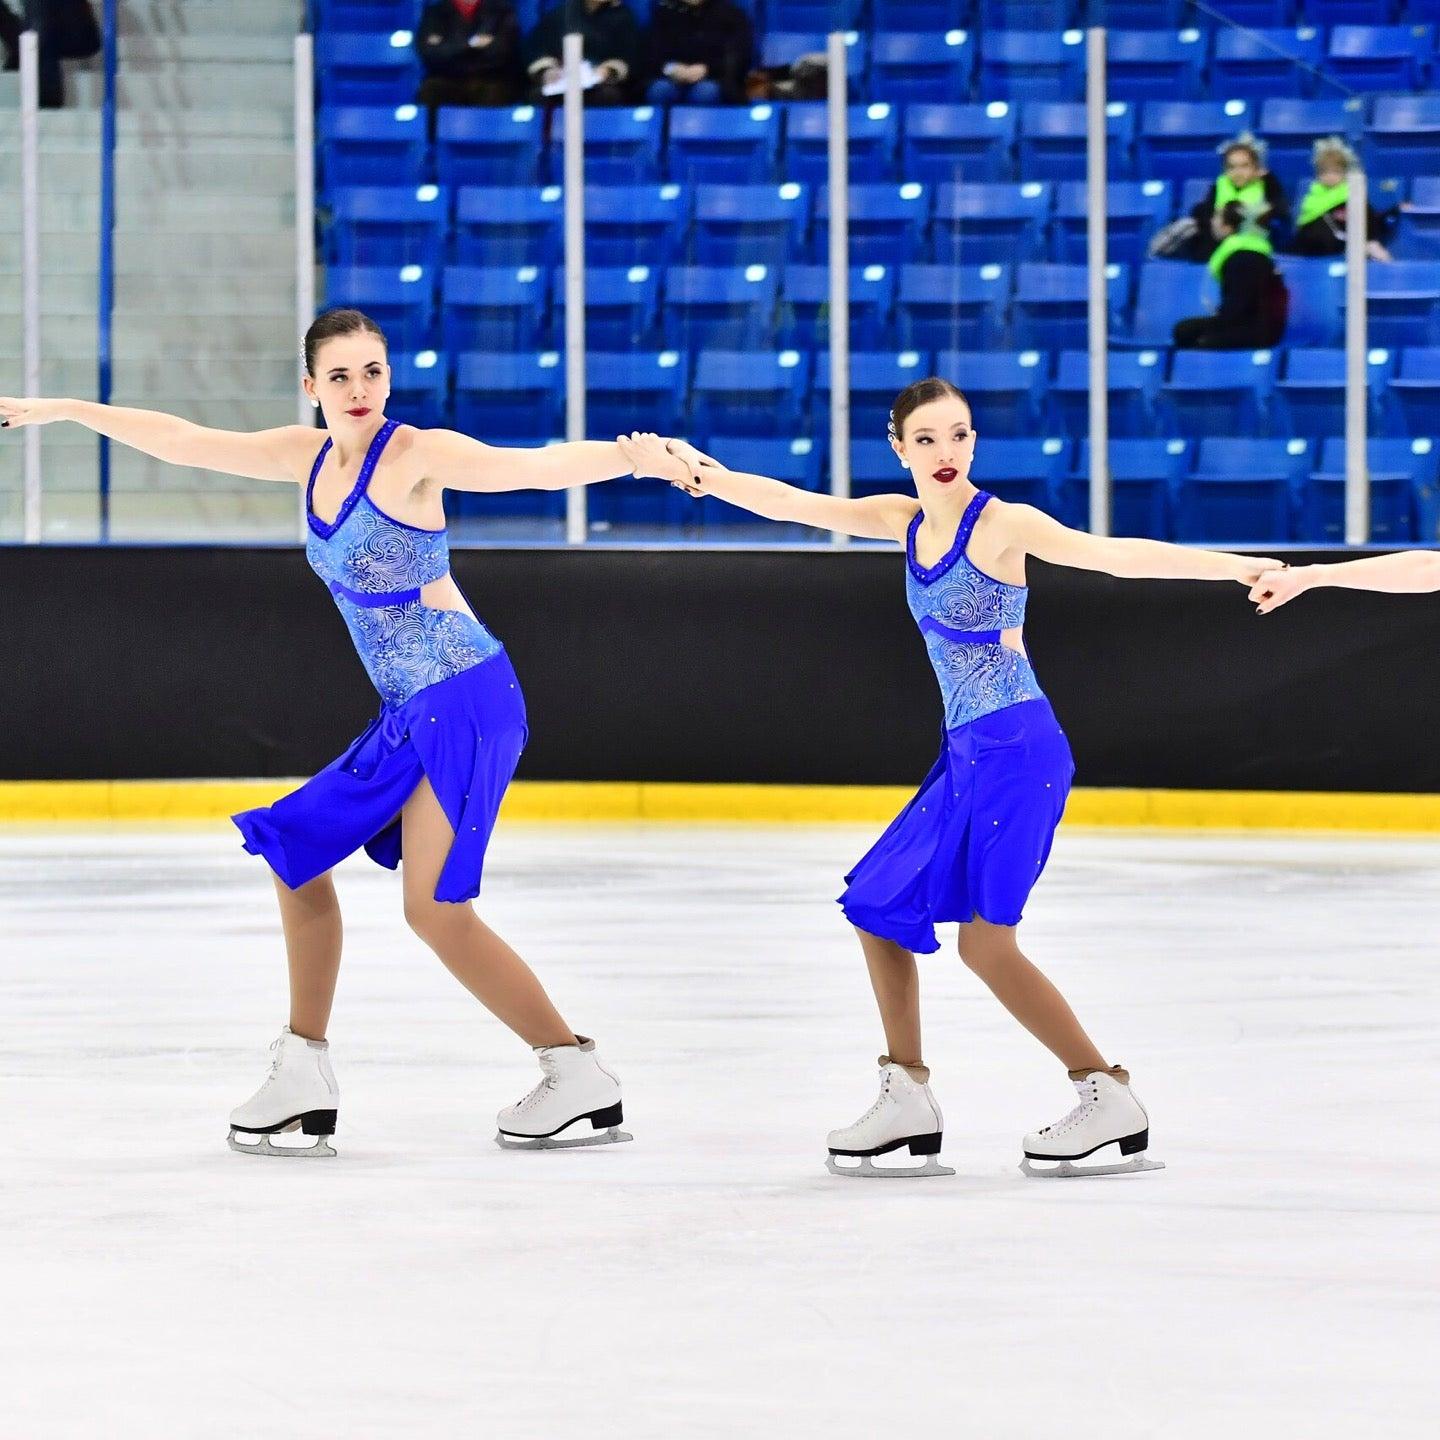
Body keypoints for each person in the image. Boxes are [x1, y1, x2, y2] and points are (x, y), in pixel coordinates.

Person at [0, 309, 638, 1160]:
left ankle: (574, 1071)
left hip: (466, 696)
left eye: (371, 372)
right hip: (410, 710)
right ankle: (304, 1070)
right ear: (312, 388)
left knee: (435, 913)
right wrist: (69, 409)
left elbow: (531, 467)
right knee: (296, 848)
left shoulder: (414, 455)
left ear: (388, 377)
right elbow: (184, 440)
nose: (360, 389)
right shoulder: (306, 460)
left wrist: (633, 456)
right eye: (340, 377)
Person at [617, 387, 1276, 1180]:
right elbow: (792, 501)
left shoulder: (1003, 524)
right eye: (925, 438)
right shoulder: (903, 521)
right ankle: (907, 1098)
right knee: (878, 904)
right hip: (967, 751)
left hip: (1019, 748)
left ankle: (1108, 1095)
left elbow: (1115, 553)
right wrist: (689, 471)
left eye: (957, 434)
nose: (944, 450)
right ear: (899, 448)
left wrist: (1237, 568)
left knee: (986, 945)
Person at [1173, 200, 1289, 351]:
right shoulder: (1247, 250)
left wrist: (1216, 324)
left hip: (1256, 330)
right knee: (1185, 330)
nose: (1212, 222)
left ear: (1228, 227)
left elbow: (1239, 306)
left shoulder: (1243, 256)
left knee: (1190, 335)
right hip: (1248, 323)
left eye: (1216, 218)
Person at [1288, 136, 1395, 263]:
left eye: (1335, 172)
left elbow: (1369, 221)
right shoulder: (1312, 195)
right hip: (1310, 250)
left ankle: (1371, 247)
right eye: (1325, 172)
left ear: (1344, 172)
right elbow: (1303, 228)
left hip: (1340, 247)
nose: (1330, 177)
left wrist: (1395, 210)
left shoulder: (1352, 194)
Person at [1187, 134, 1289, 261]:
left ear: (1256, 167)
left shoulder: (1267, 185)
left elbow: (1281, 211)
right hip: (1219, 243)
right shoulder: (1219, 185)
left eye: (1244, 166)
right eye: (1232, 167)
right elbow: (1206, 213)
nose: (1238, 172)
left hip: (1253, 245)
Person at [524, 0, 642, 107]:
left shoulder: (623, 16)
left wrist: (607, 71)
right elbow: (538, 47)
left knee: (608, 96)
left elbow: (628, 55)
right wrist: (548, 71)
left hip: (602, 84)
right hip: (562, 80)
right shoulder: (563, 12)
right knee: (538, 95)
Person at [415, 0, 524, 110]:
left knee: (496, 91)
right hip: (447, 78)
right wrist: (471, 45)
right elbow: (431, 53)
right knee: (431, 90)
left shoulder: (502, 11)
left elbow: (502, 52)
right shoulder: (435, 13)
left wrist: (451, 48)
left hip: (489, 78)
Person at [644, 0, 753, 106]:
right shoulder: (664, 13)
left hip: (715, 78)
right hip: (671, 78)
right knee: (660, 90)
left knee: (705, 92)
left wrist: (707, 69)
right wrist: (670, 68)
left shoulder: (730, 15)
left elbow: (738, 56)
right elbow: (652, 55)